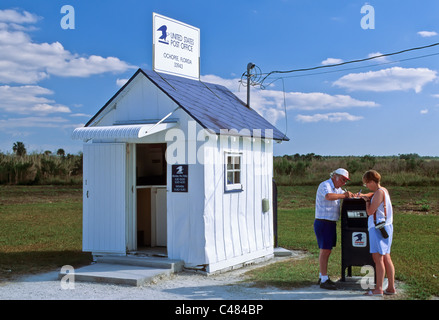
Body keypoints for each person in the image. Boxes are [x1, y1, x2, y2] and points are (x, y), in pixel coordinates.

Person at [314, 168, 353, 290]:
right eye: (343, 180)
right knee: (325, 250)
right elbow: (328, 196)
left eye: (346, 181)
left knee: (328, 250)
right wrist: (344, 195)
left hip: (331, 223)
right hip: (323, 222)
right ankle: (324, 279)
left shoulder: (338, 189)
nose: (344, 183)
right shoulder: (325, 185)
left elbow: (342, 195)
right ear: (335, 176)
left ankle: (322, 276)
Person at [360, 170, 396, 296]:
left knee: (378, 258)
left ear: (371, 181)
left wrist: (366, 201)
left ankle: (378, 289)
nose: (366, 185)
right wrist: (366, 195)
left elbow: (370, 211)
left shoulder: (378, 193)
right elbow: (374, 194)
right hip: (386, 227)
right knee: (386, 257)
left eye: (366, 183)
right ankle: (391, 287)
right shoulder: (383, 190)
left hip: (377, 228)